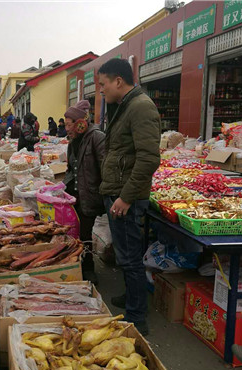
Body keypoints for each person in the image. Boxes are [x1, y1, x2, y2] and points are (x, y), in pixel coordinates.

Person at [98, 58, 161, 336]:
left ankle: (137, 317)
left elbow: (148, 159)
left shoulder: (140, 107)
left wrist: (124, 197)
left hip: (127, 197)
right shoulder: (123, 106)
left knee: (131, 258)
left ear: (118, 82)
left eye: (102, 84)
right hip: (118, 191)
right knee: (125, 254)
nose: (100, 90)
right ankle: (130, 298)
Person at [63, 100, 105, 285]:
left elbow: (105, 168)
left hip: (89, 195)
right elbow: (70, 169)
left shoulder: (97, 138)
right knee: (73, 233)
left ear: (80, 123)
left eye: (68, 124)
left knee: (85, 234)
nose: (66, 128)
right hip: (73, 195)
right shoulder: (72, 143)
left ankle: (88, 269)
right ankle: (73, 266)